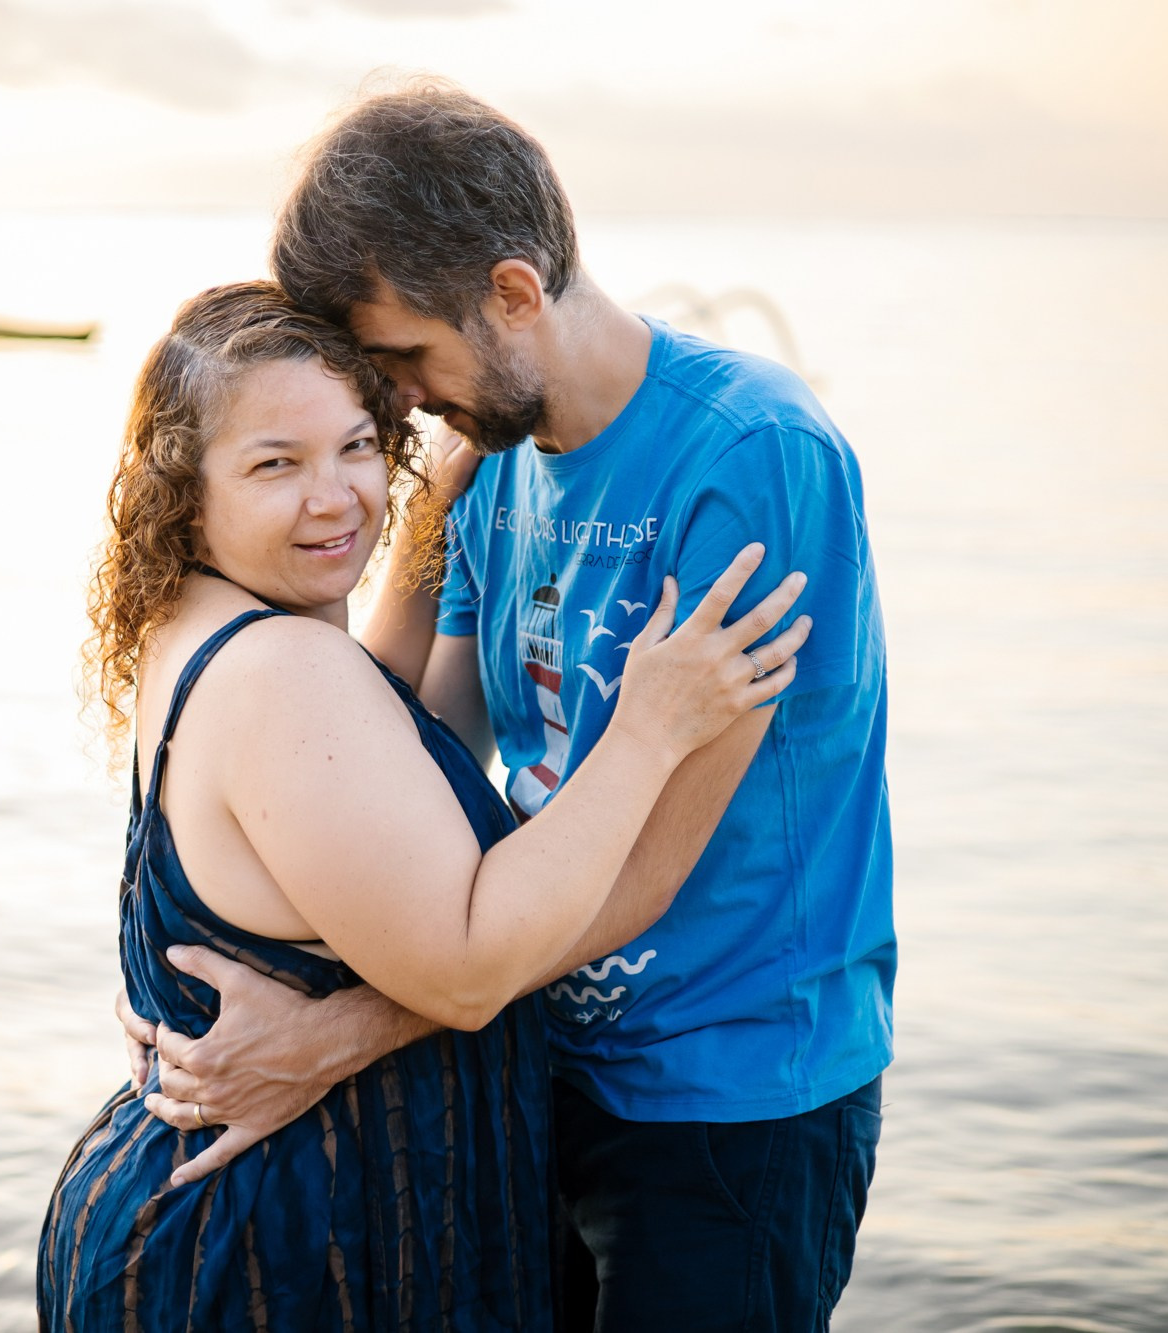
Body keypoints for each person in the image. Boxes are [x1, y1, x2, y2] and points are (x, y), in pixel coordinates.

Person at [133, 83, 895, 1331]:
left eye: (404, 360)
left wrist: (335, 1035)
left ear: (510, 293)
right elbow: (419, 753)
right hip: (536, 1060)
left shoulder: (751, 457)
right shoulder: (489, 464)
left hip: (729, 1095)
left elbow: (645, 870)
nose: (397, 401)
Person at [36, 281, 809, 1330]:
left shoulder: (207, 622)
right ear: (184, 487)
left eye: (358, 447)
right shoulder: (284, 674)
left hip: (214, 1223)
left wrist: (424, 530)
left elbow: (383, 754)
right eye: (275, 464)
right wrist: (647, 729)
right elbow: (466, 968)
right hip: (280, 1261)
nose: (335, 497)